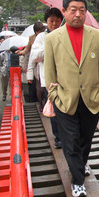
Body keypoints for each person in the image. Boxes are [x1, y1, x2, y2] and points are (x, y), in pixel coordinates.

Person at [45, 0, 99, 197]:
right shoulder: (52, 38)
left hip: (91, 98)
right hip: (65, 98)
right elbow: (49, 72)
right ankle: (78, 181)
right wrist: (54, 95)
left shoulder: (96, 35)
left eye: (82, 10)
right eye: (73, 9)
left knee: (85, 138)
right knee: (70, 140)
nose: (78, 14)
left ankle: (79, 165)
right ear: (64, 12)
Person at [27, 9, 63, 148]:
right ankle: (58, 137)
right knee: (55, 107)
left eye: (57, 21)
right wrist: (50, 46)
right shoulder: (42, 37)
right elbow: (35, 56)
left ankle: (67, 135)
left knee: (66, 108)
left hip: (65, 79)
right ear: (46, 22)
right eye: (51, 21)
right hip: (49, 79)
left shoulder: (65, 34)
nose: (54, 24)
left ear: (61, 21)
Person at [17, 22, 46, 103]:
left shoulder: (47, 35)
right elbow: (28, 49)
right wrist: (22, 52)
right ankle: (39, 102)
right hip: (35, 60)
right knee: (37, 85)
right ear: (36, 31)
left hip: (43, 60)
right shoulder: (32, 38)